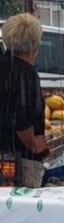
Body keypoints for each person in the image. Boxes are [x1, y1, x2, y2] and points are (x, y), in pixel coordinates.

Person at [0, 13, 48, 186]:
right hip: (17, 158)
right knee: (18, 208)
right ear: (34, 47)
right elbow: (22, 119)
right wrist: (33, 144)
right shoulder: (26, 74)